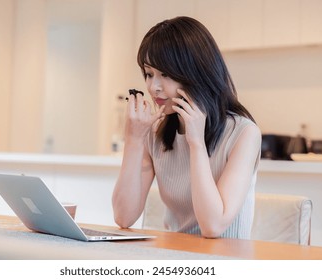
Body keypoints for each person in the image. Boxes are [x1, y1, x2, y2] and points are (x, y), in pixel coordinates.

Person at [112, 16, 261, 239]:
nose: (154, 87)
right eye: (149, 74)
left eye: (166, 74)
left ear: (196, 73)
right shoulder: (155, 132)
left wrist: (196, 144)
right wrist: (133, 140)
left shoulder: (244, 133)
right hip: (174, 257)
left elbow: (213, 226)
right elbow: (123, 216)